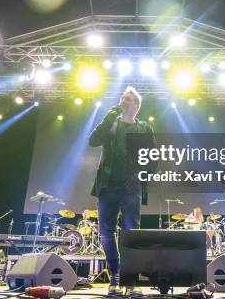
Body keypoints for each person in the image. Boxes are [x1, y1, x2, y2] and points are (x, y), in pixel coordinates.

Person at [88, 86, 156, 294]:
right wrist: (106, 120)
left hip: (131, 188)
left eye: (127, 99)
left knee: (130, 231)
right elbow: (92, 141)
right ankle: (115, 276)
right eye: (121, 98)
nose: (122, 102)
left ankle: (131, 278)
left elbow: (152, 160)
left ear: (136, 105)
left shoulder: (144, 128)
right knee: (106, 232)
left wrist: (138, 176)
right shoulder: (111, 124)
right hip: (108, 186)